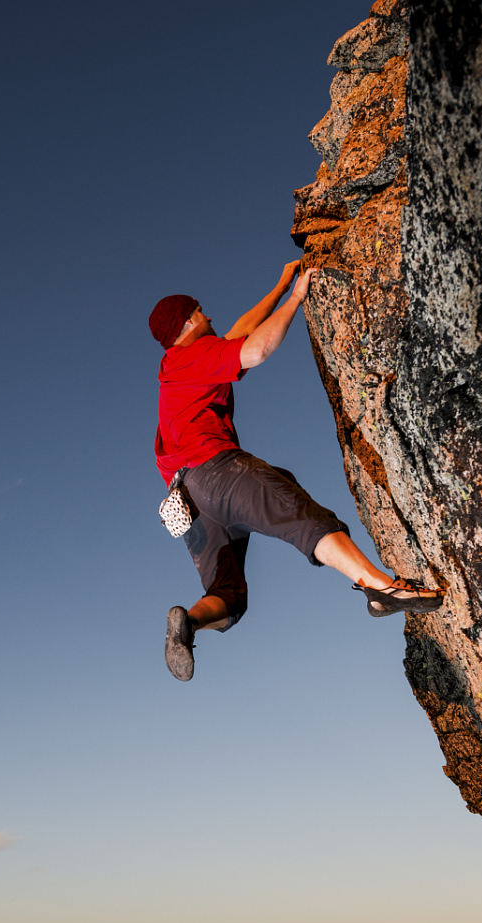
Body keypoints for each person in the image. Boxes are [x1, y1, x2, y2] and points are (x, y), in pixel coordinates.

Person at [149, 260, 442, 682]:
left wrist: (281, 284)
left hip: (188, 505)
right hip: (216, 473)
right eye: (202, 310)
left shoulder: (180, 369)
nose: (210, 316)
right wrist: (297, 299)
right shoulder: (190, 359)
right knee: (302, 516)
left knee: (228, 596)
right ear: (190, 319)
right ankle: (379, 586)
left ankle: (189, 624)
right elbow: (256, 348)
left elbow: (240, 332)